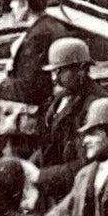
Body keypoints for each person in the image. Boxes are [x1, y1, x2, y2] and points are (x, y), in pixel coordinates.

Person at [35, 37, 97, 197]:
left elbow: (87, 163)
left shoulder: (94, 106)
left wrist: (42, 176)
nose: (55, 78)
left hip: (74, 190)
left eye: (61, 71)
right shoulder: (62, 98)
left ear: (82, 69)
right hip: (53, 182)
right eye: (54, 72)